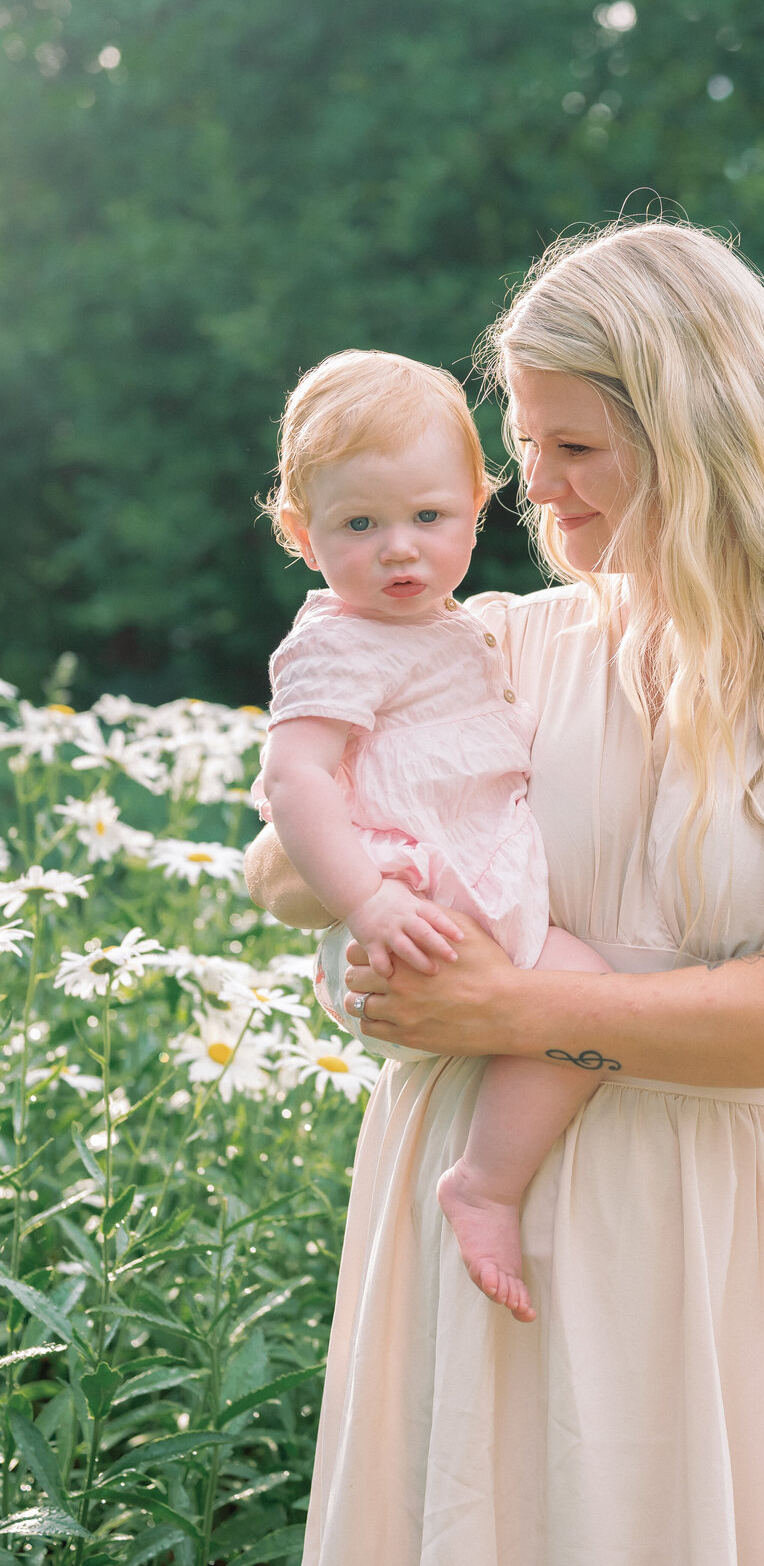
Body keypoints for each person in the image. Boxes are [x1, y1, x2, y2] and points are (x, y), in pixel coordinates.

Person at [246, 219, 764, 1566]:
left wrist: (514, 998)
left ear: (700, 426)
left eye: (578, 446)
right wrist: (362, 841)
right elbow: (280, 859)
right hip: (465, 1219)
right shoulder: (492, 642)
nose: (536, 487)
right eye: (523, 442)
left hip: (705, 1234)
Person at [256, 349, 611, 1322]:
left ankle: (488, 1180)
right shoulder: (337, 640)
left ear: (478, 504)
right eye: (359, 524)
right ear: (302, 532)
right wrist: (367, 901)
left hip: (456, 894)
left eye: (428, 517)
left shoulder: (462, 630)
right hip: (403, 907)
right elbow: (292, 779)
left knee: (580, 996)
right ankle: (485, 1185)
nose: (399, 549)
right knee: (581, 994)